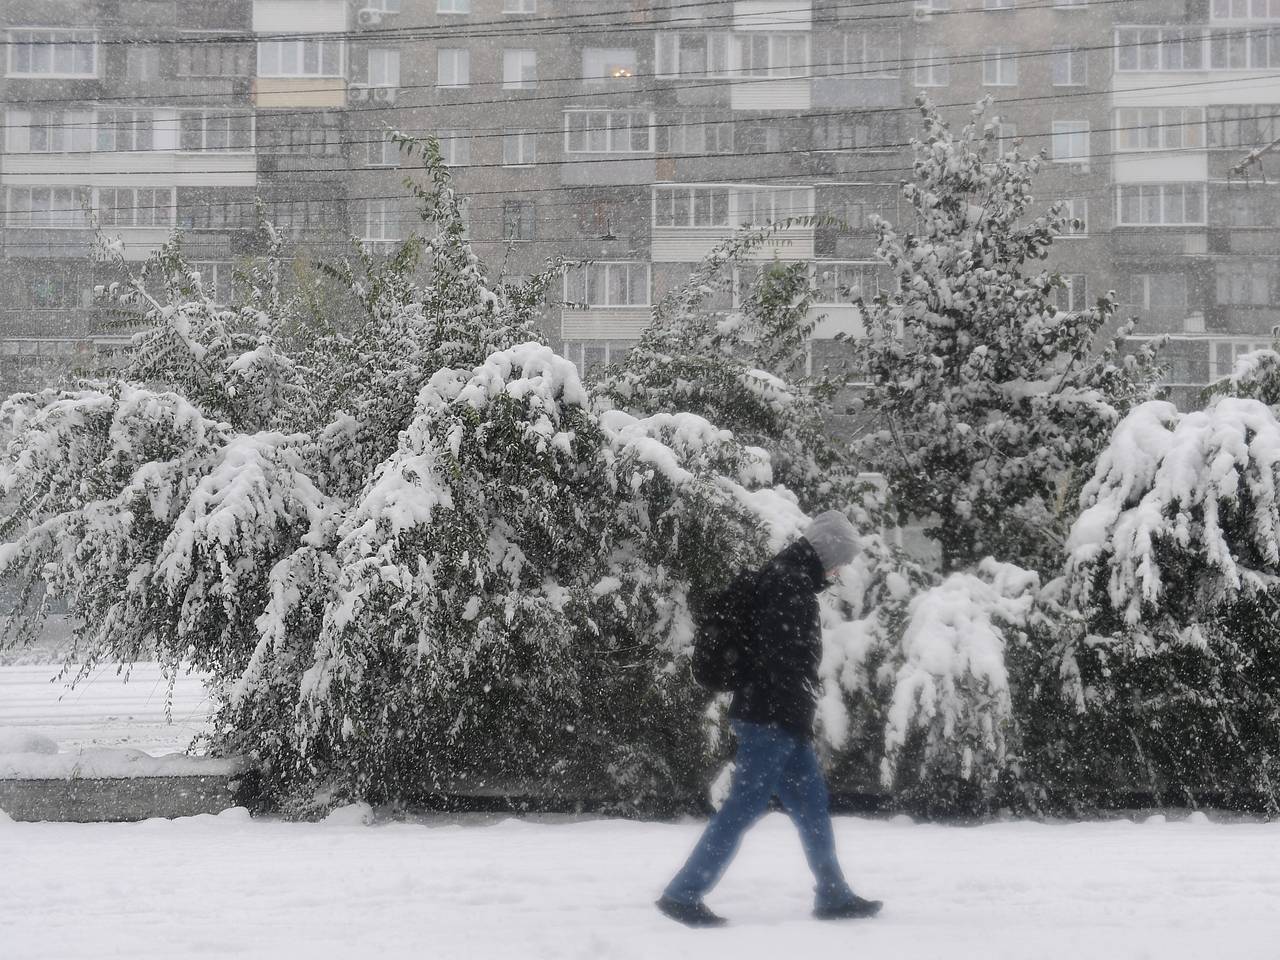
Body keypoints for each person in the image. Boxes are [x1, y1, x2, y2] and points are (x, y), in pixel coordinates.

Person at [656, 510, 883, 928]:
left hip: (780, 717)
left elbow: (782, 658)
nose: (840, 569)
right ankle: (683, 893)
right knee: (743, 806)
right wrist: (789, 709)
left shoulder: (788, 578)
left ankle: (833, 894)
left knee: (812, 805)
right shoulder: (789, 583)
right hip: (770, 718)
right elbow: (781, 659)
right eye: (841, 560)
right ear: (826, 551)